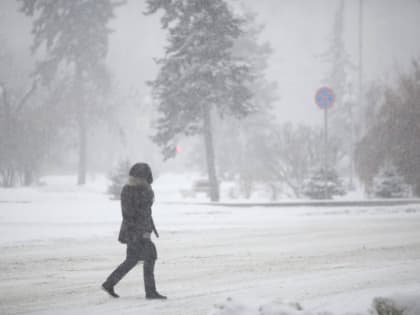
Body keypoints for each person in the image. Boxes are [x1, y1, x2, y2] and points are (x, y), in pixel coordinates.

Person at [102, 163, 167, 300]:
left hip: (137, 230)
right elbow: (131, 214)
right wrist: (143, 231)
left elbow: (146, 212)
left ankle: (109, 283)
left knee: (131, 260)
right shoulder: (132, 190)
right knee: (149, 256)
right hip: (136, 232)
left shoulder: (141, 189)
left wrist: (148, 228)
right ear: (142, 176)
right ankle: (150, 292)